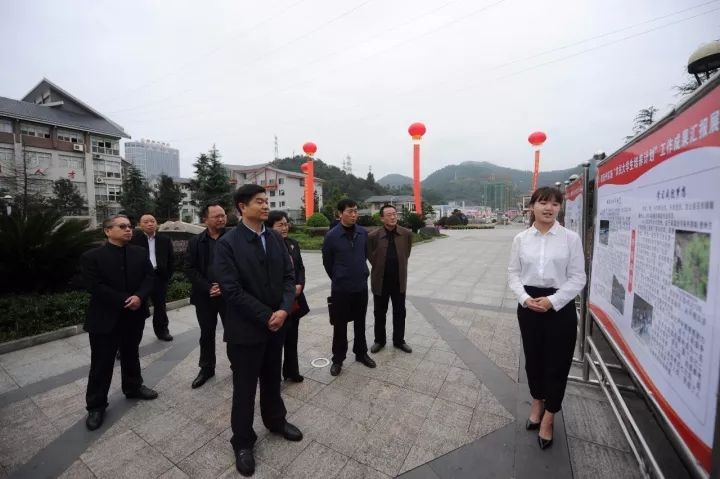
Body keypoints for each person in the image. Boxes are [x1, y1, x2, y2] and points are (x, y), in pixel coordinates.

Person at [213, 184, 303, 477]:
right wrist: (267, 316)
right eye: (259, 201)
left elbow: (289, 276)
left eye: (266, 201)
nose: (266, 206)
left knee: (272, 379)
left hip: (277, 326)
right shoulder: (227, 244)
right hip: (245, 330)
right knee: (244, 388)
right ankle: (242, 442)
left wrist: (283, 309)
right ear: (242, 207)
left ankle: (276, 421)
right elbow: (231, 290)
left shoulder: (275, 238)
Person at [507, 186, 586, 450]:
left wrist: (553, 301)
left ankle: (550, 415)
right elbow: (513, 274)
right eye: (543, 203)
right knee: (534, 360)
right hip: (529, 307)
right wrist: (524, 298)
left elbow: (578, 277)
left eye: (554, 203)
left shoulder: (570, 238)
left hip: (560, 307)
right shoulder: (521, 239)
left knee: (558, 363)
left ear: (560, 208)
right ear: (532, 207)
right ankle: (537, 402)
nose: (549, 208)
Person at [80, 215, 159, 431]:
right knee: (101, 363)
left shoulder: (139, 252)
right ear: (107, 231)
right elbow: (94, 286)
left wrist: (140, 297)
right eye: (122, 226)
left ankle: (133, 387)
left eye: (129, 226)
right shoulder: (91, 257)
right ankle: (96, 405)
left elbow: (149, 277)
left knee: (131, 354)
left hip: (134, 315)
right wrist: (126, 300)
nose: (128, 230)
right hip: (104, 318)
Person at [322, 198, 376, 377]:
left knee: (360, 322)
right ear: (339, 213)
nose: (354, 215)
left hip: (360, 286)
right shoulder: (331, 236)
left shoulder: (362, 233)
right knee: (340, 325)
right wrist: (339, 277)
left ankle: (361, 353)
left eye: (355, 211)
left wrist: (360, 273)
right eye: (350, 211)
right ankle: (338, 359)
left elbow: (364, 255)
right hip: (341, 289)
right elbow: (328, 263)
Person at [185, 203, 228, 389]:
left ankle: (239, 365)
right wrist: (208, 287)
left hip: (230, 295)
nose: (221, 219)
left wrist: (225, 287)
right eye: (216, 216)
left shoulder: (234, 238)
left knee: (234, 332)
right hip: (204, 296)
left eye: (223, 215)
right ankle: (207, 368)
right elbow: (189, 268)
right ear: (205, 220)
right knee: (206, 333)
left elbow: (243, 266)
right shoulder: (196, 242)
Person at [265, 210, 310, 382]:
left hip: (294, 301)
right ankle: (273, 378)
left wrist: (300, 284)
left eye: (286, 224)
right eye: (280, 225)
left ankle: (291, 370)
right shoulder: (266, 247)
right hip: (277, 303)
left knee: (292, 338)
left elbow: (300, 268)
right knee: (276, 343)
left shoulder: (292, 243)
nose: (285, 228)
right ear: (270, 227)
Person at [367, 204, 413, 354]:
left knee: (400, 312)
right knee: (379, 313)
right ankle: (379, 341)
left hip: (399, 280)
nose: (393, 217)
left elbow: (407, 253)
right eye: (389, 215)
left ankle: (399, 341)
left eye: (394, 214)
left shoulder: (406, 233)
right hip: (380, 281)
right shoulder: (373, 236)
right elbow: (371, 256)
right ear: (382, 218)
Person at [130, 214, 174, 341]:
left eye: (152, 221)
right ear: (139, 225)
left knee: (160, 306)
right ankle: (132, 336)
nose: (150, 224)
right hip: (140, 278)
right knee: (138, 307)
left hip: (158, 276)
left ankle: (162, 331)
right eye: (146, 222)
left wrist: (166, 275)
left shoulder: (164, 240)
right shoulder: (133, 240)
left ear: (156, 223)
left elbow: (171, 259)